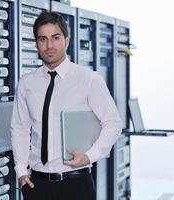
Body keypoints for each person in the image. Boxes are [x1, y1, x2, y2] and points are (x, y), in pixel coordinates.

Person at [11, 11, 122, 200]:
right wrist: (21, 170)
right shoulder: (26, 83)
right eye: (42, 39)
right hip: (36, 185)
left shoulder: (88, 79)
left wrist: (90, 155)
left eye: (55, 38)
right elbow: (20, 128)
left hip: (76, 184)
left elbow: (113, 123)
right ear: (36, 43)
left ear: (67, 41)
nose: (49, 46)